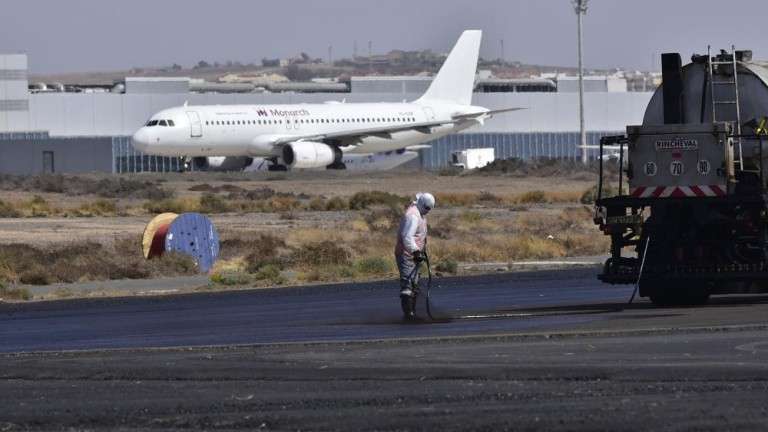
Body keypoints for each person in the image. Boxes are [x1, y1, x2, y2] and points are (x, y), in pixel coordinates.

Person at [394, 192, 435, 320]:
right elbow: (407, 237)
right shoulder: (413, 216)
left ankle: (412, 312)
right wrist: (415, 251)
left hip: (415, 254)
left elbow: (419, 234)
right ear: (422, 204)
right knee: (408, 284)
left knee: (415, 284)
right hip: (407, 255)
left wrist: (421, 250)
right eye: (427, 208)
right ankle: (409, 315)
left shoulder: (420, 213)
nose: (428, 211)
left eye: (430, 209)